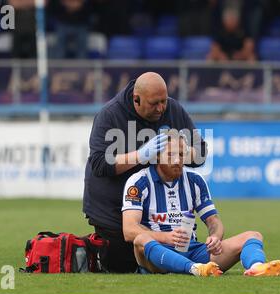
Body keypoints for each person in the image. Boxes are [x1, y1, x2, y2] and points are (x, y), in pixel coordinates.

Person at [83, 72, 207, 273]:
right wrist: (140, 156)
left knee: (163, 267)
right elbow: (99, 163)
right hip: (112, 212)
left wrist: (180, 151)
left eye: (163, 101)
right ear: (136, 99)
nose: (161, 108)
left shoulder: (173, 110)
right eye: (154, 103)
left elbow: (200, 153)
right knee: (122, 268)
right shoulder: (110, 115)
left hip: (158, 215)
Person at [122, 133, 280, 277]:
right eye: (171, 155)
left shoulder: (195, 180)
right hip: (157, 255)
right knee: (141, 239)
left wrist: (215, 237)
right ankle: (194, 269)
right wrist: (166, 237)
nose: (177, 160)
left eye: (181, 155)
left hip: (192, 251)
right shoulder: (139, 182)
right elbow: (129, 231)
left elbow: (213, 221)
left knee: (253, 235)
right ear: (157, 156)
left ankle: (256, 268)